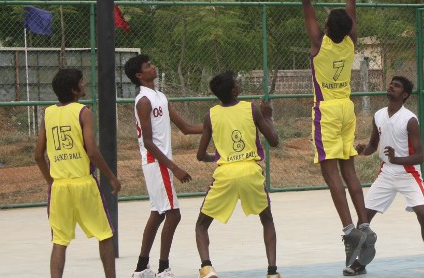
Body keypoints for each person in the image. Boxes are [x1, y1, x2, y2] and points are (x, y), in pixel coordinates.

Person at [290, 0, 376, 273]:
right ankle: (364, 224)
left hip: (326, 111)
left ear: (326, 27)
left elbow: (305, 0)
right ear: (349, 28)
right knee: (350, 171)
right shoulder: (350, 42)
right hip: (347, 109)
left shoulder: (318, 43)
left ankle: (349, 232)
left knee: (331, 175)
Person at [348, 76, 424, 277]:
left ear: (404, 95)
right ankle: (359, 262)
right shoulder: (378, 115)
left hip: (408, 173)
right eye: (390, 84)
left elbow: (420, 156)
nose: (390, 87)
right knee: (363, 218)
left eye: (396, 86)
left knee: (423, 214)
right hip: (386, 173)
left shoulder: (410, 119)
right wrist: (363, 150)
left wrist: (397, 159)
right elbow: (373, 145)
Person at [33, 68, 121, 278]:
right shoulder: (83, 112)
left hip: (59, 187)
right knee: (105, 235)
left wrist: (51, 182)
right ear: (74, 90)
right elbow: (91, 150)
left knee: (59, 241)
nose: (84, 84)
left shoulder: (48, 113)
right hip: (83, 184)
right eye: (82, 82)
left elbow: (38, 155)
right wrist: (110, 176)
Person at [195, 71, 280, 278]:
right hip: (250, 171)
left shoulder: (211, 115)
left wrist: (215, 158)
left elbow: (200, 154)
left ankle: (207, 267)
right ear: (234, 90)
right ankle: (272, 272)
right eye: (237, 82)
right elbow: (274, 141)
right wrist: (268, 117)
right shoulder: (251, 109)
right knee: (266, 220)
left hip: (225, 173)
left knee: (201, 225)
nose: (239, 83)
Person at [125, 54, 204, 278]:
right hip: (156, 162)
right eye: (148, 65)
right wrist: (174, 167)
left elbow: (186, 127)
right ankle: (163, 268)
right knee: (173, 215)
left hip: (158, 163)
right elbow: (148, 142)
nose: (153, 66)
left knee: (158, 214)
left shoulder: (160, 96)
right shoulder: (144, 100)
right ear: (140, 75)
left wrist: (214, 125)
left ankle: (141, 268)